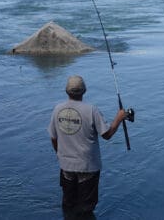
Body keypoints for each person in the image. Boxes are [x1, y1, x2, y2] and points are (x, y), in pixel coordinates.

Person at [48, 75, 127, 218]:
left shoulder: (57, 109)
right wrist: (119, 118)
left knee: (69, 205)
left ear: (66, 92)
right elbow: (107, 134)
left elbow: (53, 137)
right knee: (86, 209)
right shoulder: (91, 110)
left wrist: (60, 155)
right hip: (88, 167)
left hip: (66, 167)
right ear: (84, 91)